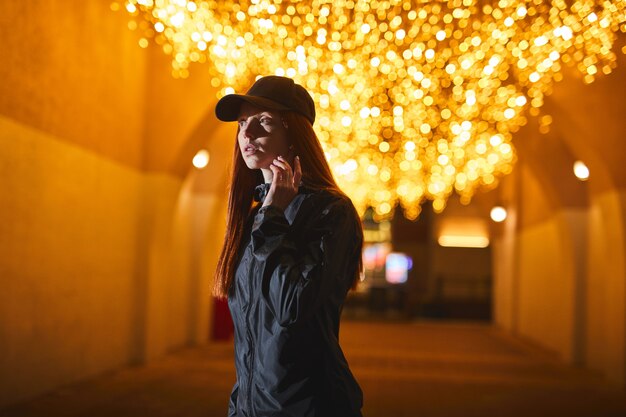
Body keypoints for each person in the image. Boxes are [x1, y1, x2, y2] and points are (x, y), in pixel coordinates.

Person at [213, 75, 364, 417]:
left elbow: (292, 306)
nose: (246, 135)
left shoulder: (331, 212)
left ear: (294, 135)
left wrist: (273, 219)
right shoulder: (256, 218)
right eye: (242, 124)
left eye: (263, 122)